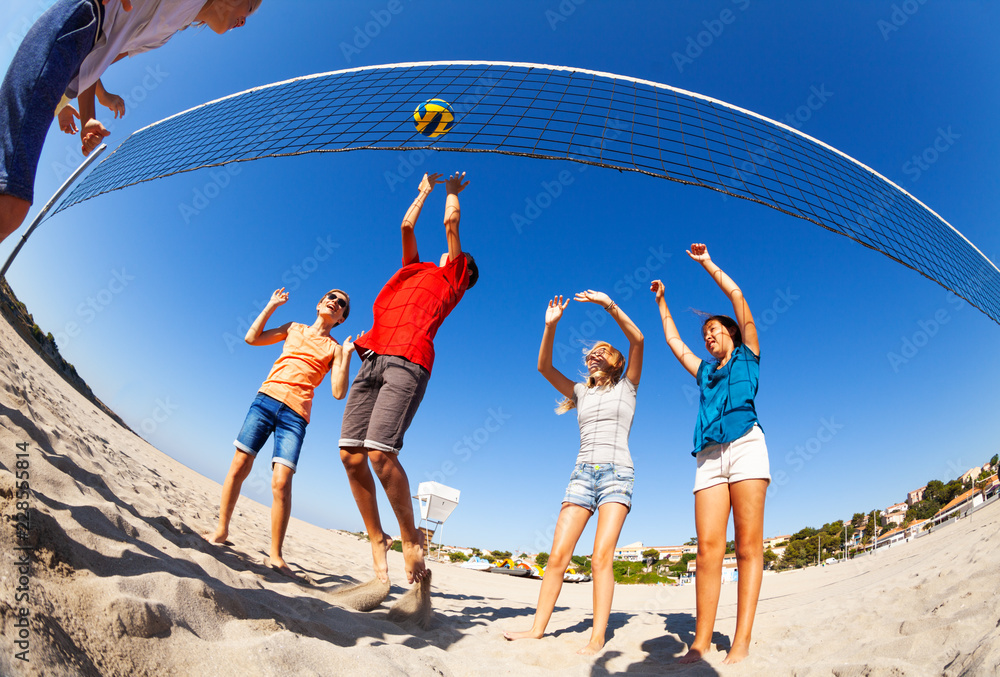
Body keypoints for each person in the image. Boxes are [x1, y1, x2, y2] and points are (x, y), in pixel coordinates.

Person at [0, 0, 262, 245]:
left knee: (9, 208)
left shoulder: (167, 32)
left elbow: (95, 60)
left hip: (70, 75)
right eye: (249, 8)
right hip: (81, 19)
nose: (244, 21)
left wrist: (89, 114)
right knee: (9, 205)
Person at [339, 171, 478, 587]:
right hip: (373, 358)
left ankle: (410, 538)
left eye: (457, 258)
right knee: (350, 453)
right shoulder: (414, 270)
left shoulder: (451, 280)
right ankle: (377, 538)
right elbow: (405, 226)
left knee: (380, 453)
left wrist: (451, 193)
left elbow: (450, 225)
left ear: (461, 271)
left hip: (408, 361)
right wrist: (423, 192)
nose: (450, 254)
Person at [505, 290, 643, 655]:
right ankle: (537, 629)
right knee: (557, 558)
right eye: (591, 352)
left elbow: (638, 338)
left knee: (600, 558)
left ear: (616, 362)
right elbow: (544, 368)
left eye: (603, 352)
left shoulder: (628, 386)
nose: (595, 355)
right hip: (581, 475)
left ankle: (597, 636)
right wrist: (550, 327)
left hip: (618, 474)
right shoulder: (580, 391)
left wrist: (607, 304)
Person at [650, 243, 769, 665]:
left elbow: (738, 300)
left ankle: (741, 640)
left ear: (733, 333)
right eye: (706, 334)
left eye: (715, 329)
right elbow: (673, 342)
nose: (708, 335)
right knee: (707, 550)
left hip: (747, 445)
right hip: (708, 456)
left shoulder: (749, 355)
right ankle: (699, 643)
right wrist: (663, 302)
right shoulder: (705, 373)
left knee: (748, 548)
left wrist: (707, 264)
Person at [207, 287, 358, 578]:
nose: (335, 303)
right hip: (266, 400)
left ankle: (275, 555)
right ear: (319, 304)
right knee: (239, 464)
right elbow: (252, 338)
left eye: (341, 304)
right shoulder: (293, 328)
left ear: (341, 319)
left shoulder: (336, 349)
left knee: (281, 482)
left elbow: (338, 393)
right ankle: (221, 530)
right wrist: (271, 305)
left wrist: (348, 355)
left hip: (296, 416)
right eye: (331, 297)